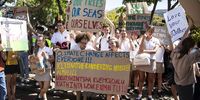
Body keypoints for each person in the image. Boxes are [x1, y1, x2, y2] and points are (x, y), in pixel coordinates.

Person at [171, 35, 200, 100]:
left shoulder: (175, 54)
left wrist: (188, 29)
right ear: (190, 48)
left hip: (179, 84)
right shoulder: (189, 58)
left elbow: (179, 45)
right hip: (188, 85)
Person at [136, 26, 160, 100]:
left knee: (151, 79)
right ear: (146, 30)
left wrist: (144, 51)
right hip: (142, 60)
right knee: (141, 78)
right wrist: (143, 38)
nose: (151, 32)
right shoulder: (141, 39)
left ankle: (149, 95)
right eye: (149, 30)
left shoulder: (156, 40)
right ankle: (139, 94)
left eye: (152, 30)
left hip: (152, 60)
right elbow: (140, 49)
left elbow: (155, 51)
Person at [32, 35, 54, 100]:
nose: (38, 42)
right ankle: (44, 98)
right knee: (42, 87)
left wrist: (46, 57)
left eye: (40, 40)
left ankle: (39, 97)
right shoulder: (36, 50)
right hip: (39, 70)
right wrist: (31, 59)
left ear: (44, 41)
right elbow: (33, 61)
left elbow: (53, 59)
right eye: (37, 40)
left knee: (45, 88)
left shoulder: (48, 49)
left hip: (47, 70)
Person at [70, 33, 91, 100]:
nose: (84, 44)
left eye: (86, 43)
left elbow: (97, 55)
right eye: (82, 42)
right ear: (79, 41)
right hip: (77, 69)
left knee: (86, 85)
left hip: (86, 70)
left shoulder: (89, 48)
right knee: (77, 85)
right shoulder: (74, 48)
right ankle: (78, 98)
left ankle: (85, 98)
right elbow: (69, 57)